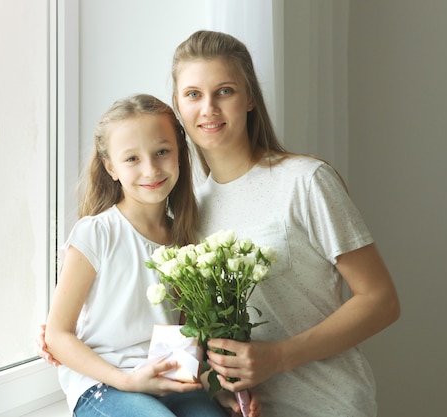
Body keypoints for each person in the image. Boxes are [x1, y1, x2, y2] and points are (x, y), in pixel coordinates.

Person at [40, 30, 400, 416]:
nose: (208, 108)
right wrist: (72, 337)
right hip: (239, 409)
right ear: (178, 107)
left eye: (224, 91)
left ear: (249, 98)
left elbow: (381, 301)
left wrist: (278, 357)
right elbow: (193, 330)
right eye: (193, 94)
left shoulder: (304, 181)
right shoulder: (188, 217)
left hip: (325, 405)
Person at [43, 93, 234, 417]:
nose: (151, 169)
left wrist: (210, 385)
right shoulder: (96, 233)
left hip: (168, 380)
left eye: (162, 152)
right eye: (132, 159)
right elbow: (57, 335)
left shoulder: (187, 243)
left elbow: (183, 334)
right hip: (103, 384)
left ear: (179, 156)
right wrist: (128, 381)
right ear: (110, 167)